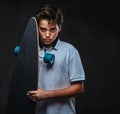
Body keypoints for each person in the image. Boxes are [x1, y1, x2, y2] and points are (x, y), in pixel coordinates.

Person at [26, 4, 85, 114]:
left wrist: (46, 94)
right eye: (43, 30)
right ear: (36, 29)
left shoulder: (70, 51)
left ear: (60, 27)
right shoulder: (30, 51)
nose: (47, 35)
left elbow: (78, 88)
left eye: (52, 29)